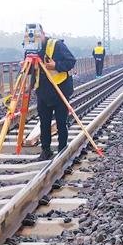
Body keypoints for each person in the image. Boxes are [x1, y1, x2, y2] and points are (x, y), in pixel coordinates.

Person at [36, 26, 76, 161]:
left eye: (37, 35)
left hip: (60, 91)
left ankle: (62, 150)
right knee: (44, 123)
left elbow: (71, 61)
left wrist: (56, 65)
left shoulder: (56, 45)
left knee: (61, 122)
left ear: (43, 34)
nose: (35, 39)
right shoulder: (31, 49)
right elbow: (32, 70)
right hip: (42, 92)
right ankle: (45, 150)